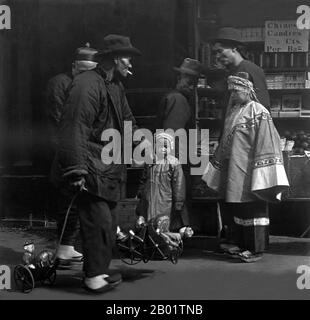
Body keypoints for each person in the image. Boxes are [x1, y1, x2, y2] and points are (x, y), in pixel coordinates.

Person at [52, 34, 144, 293]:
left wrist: (146, 145)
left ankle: (98, 273)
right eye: (127, 58)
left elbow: (128, 122)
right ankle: (93, 277)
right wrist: (76, 170)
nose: (131, 64)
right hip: (91, 168)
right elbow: (74, 128)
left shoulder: (114, 85)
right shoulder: (86, 84)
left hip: (108, 169)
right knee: (98, 223)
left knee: (106, 223)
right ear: (115, 59)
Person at [202, 72, 289, 262]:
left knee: (254, 209)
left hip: (252, 170)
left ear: (247, 90)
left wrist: (263, 169)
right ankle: (241, 244)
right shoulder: (233, 111)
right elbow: (226, 140)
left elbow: (267, 141)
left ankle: (256, 249)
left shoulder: (259, 111)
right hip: (234, 169)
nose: (232, 94)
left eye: (236, 90)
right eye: (231, 91)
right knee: (238, 209)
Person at [46, 44, 98, 268]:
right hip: (67, 148)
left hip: (81, 147)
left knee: (78, 199)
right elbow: (62, 122)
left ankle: (68, 246)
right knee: (69, 198)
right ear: (74, 66)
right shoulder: (60, 83)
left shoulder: (84, 84)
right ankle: (64, 247)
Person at [156, 58, 203, 230]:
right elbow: (172, 136)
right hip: (175, 160)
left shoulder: (175, 97)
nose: (191, 85)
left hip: (172, 158)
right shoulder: (178, 100)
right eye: (189, 80)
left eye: (194, 81)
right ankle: (173, 236)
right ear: (180, 78)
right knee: (177, 198)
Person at [135, 132, 193, 237]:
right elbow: (143, 180)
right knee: (149, 225)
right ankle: (151, 245)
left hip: (166, 202)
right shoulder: (150, 162)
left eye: (166, 146)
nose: (163, 149)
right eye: (160, 146)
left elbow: (179, 184)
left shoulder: (174, 163)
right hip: (149, 201)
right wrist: (140, 194)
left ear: (170, 148)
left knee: (163, 224)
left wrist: (179, 202)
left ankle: (165, 247)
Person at [210, 27, 270, 110]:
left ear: (234, 48)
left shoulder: (250, 69)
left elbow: (263, 106)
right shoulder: (230, 72)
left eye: (220, 51)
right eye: (215, 53)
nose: (217, 56)